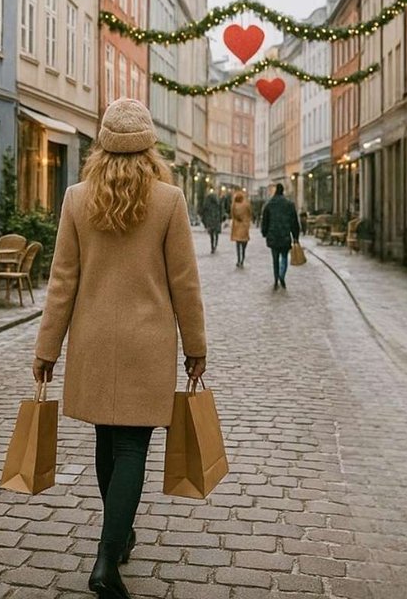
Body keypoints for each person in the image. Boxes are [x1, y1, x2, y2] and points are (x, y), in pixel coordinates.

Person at [33, 98, 207, 599]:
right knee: (132, 447)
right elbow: (185, 285)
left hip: (91, 341)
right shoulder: (169, 201)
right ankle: (108, 560)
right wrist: (196, 345)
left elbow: (61, 281)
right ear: (150, 149)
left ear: (101, 146)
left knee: (107, 443)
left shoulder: (76, 198)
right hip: (147, 344)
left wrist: (47, 349)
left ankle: (118, 530)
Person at [261, 182, 301, 291]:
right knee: (284, 257)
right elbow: (294, 222)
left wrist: (264, 232)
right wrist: (296, 236)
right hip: (285, 235)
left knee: (275, 259)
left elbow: (265, 221)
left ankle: (275, 278)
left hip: (273, 234)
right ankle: (282, 275)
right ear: (283, 191)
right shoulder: (289, 204)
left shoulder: (269, 204)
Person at [229, 190, 252, 268]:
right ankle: (242, 258)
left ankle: (239, 259)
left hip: (237, 226)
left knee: (238, 244)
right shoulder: (246, 205)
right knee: (244, 243)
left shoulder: (234, 205)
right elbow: (250, 213)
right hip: (244, 225)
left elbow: (232, 214)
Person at [199, 189, 224, 253]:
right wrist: (221, 218)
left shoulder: (207, 201)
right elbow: (221, 210)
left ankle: (212, 246)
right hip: (216, 219)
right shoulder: (218, 201)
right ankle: (215, 245)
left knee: (211, 234)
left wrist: (204, 219)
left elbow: (204, 209)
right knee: (216, 233)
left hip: (210, 219)